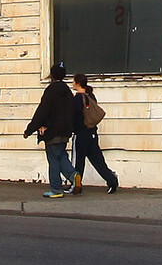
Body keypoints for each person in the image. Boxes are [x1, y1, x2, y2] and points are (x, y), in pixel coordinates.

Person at [22, 63, 76, 197]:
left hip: (51, 132)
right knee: (62, 155)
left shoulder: (50, 91)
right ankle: (73, 175)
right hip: (65, 132)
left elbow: (42, 112)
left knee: (53, 160)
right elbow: (72, 111)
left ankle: (56, 189)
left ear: (52, 75)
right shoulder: (68, 92)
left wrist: (29, 129)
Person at [68, 72, 119, 194]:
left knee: (77, 163)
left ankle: (76, 186)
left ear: (78, 83)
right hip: (92, 134)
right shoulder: (91, 96)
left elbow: (72, 116)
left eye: (73, 81)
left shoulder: (78, 98)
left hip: (80, 134)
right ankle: (112, 181)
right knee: (98, 161)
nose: (72, 84)